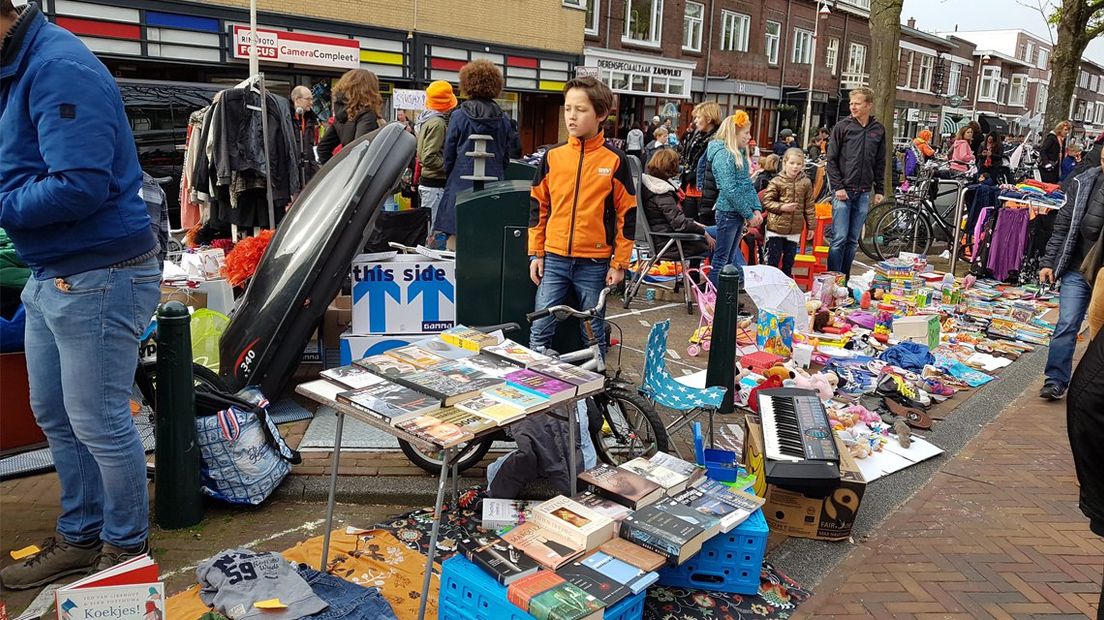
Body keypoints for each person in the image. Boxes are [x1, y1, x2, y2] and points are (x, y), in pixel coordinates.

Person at [0, 0, 162, 588]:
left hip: (98, 272)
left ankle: (125, 556)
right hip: (56, 272)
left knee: (96, 419)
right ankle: (80, 535)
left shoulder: (56, 67)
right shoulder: (23, 65)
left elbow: (79, 184)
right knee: (58, 415)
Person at [527, 75, 636, 355]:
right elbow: (538, 207)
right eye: (567, 108)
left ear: (601, 114)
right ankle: (538, 386)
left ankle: (596, 391)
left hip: (594, 263)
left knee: (592, 330)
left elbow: (628, 214)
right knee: (540, 328)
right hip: (554, 259)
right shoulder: (552, 157)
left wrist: (620, 263)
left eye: (581, 109)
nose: (571, 116)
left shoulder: (615, 160)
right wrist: (536, 253)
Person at [1038, 143, 1104, 401]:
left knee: (1099, 333)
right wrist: (1048, 262)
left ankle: (1092, 386)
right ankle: (1055, 380)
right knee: (1067, 324)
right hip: (1077, 267)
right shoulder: (1083, 182)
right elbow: (1063, 226)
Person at [438, 59, 517, 247]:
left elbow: (448, 155)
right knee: (487, 242)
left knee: (455, 246)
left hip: (460, 185)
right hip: (494, 185)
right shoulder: (504, 119)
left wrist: (451, 178)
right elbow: (507, 155)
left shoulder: (459, 116)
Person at [826, 87, 886, 279]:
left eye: (857, 103)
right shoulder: (842, 127)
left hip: (864, 191)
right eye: (851, 103)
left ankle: (846, 279)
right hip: (844, 191)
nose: (853, 107)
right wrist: (838, 187)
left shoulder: (878, 130)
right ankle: (834, 278)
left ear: (868, 105)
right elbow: (831, 160)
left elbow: (880, 161)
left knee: (853, 240)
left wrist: (880, 189)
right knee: (839, 239)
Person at [703, 111, 764, 286]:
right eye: (745, 133)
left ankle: (722, 299)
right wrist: (749, 213)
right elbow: (729, 189)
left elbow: (746, 183)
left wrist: (756, 208)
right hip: (728, 212)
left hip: (735, 212)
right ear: (734, 133)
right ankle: (714, 299)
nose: (749, 136)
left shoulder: (737, 154)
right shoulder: (724, 155)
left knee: (728, 260)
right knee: (722, 260)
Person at [640, 149, 714, 260]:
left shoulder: (651, 186)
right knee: (722, 236)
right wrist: (703, 232)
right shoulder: (661, 192)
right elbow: (679, 224)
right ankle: (738, 274)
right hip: (670, 244)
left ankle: (702, 275)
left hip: (664, 240)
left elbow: (673, 219)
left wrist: (694, 224)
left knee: (719, 236)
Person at [761, 148, 816, 276]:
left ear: (803, 165)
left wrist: (811, 226)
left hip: (794, 228)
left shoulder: (806, 183)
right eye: (792, 163)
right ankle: (771, 283)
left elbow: (809, 206)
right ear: (785, 163)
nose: (795, 167)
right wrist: (782, 207)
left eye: (798, 164)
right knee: (773, 260)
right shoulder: (777, 181)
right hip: (776, 228)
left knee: (789, 261)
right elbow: (767, 202)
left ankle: (786, 284)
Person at [415, 80, 457, 247]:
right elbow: (429, 157)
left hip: (428, 183)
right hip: (435, 185)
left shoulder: (426, 119)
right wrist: (449, 167)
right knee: (432, 233)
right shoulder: (438, 123)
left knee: (428, 229)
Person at [317, 69, 383, 164]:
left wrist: (336, 171)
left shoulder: (341, 115)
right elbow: (361, 150)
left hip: (348, 172)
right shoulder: (367, 114)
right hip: (361, 173)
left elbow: (322, 149)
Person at [678, 101, 722, 223]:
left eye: (698, 117)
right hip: (690, 187)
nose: (695, 121)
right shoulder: (696, 136)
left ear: (708, 118)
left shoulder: (718, 139)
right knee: (690, 226)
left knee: (705, 231)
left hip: (707, 192)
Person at [289, 85, 319, 184]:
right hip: (292, 173)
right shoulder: (286, 118)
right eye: (308, 99)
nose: (311, 102)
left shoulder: (311, 119)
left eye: (312, 99)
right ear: (297, 100)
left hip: (308, 173)